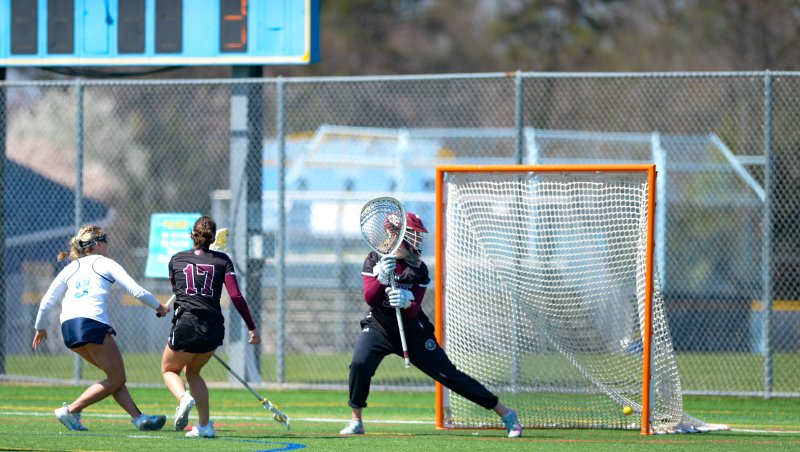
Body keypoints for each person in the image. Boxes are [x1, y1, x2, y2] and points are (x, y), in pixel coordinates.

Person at [340, 211, 523, 438]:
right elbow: (370, 298)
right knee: (359, 364)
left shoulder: (418, 268)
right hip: (380, 327)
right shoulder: (374, 259)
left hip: (413, 332)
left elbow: (413, 310)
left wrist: (406, 301)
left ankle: (505, 413)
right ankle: (357, 421)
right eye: (413, 234)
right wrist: (380, 279)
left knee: (448, 375)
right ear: (395, 234)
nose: (418, 240)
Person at [32, 225, 169, 432]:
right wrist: (159, 306)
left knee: (113, 377)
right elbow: (135, 290)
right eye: (106, 241)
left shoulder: (70, 268)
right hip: (91, 324)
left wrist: (40, 328)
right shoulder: (105, 263)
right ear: (97, 244)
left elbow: (46, 303)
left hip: (69, 328)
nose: (108, 245)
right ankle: (71, 410)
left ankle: (140, 419)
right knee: (117, 378)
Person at [161, 215, 261, 438]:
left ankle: (183, 398)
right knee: (193, 371)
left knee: (168, 370)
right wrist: (252, 327)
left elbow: (178, 291)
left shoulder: (176, 259)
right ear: (213, 238)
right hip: (213, 328)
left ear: (192, 235)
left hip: (186, 324)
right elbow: (235, 295)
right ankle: (204, 426)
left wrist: (164, 309)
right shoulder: (222, 261)